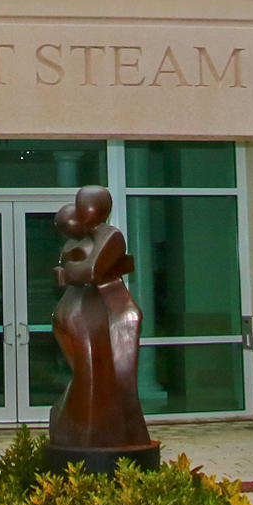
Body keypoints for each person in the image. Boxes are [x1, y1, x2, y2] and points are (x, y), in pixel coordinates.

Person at [47, 184, 157, 470]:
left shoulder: (109, 235)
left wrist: (70, 272)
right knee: (87, 370)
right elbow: (71, 272)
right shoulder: (78, 240)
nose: (79, 213)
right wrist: (72, 272)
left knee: (99, 371)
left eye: (85, 205)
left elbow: (94, 271)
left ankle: (98, 425)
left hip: (107, 309)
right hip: (79, 307)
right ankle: (79, 421)